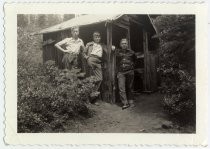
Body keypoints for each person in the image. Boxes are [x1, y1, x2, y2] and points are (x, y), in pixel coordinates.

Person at [83, 31, 114, 104]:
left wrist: (112, 47)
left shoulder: (102, 45)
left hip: (98, 61)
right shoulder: (89, 44)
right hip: (91, 59)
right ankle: (90, 99)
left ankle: (92, 97)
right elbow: (83, 52)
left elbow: (108, 49)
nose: (97, 38)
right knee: (91, 79)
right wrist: (87, 58)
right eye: (96, 37)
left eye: (99, 37)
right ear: (93, 38)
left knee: (100, 79)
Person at [115, 38, 135, 110]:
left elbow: (135, 60)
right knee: (121, 88)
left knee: (130, 87)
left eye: (125, 43)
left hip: (130, 72)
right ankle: (125, 103)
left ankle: (131, 101)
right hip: (121, 72)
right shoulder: (117, 52)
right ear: (120, 45)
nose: (124, 44)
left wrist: (132, 68)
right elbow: (115, 62)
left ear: (127, 44)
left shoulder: (132, 52)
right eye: (123, 43)